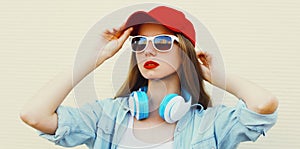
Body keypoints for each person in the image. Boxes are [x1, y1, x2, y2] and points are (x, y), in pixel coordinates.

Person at [20, 5, 278, 149]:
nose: (148, 49)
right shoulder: (105, 117)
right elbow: (34, 114)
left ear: (185, 53)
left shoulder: (210, 125)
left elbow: (263, 106)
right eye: (140, 42)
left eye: (163, 41)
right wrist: (95, 58)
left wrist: (217, 76)